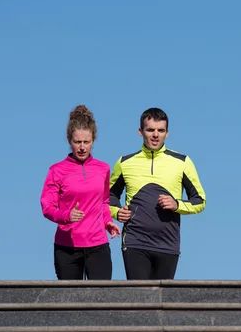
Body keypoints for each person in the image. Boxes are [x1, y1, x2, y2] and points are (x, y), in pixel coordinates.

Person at [109, 107, 206, 280]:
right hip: (135, 241)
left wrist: (177, 205)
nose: (155, 135)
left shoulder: (182, 162)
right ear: (140, 132)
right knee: (139, 299)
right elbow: (107, 197)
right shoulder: (124, 163)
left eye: (160, 130)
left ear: (167, 133)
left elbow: (199, 201)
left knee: (162, 303)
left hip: (167, 244)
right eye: (150, 130)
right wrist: (117, 212)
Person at [40, 104, 121, 280]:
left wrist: (108, 222)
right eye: (77, 142)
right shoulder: (57, 170)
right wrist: (66, 215)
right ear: (69, 140)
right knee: (70, 303)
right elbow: (47, 207)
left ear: (94, 140)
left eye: (87, 142)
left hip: (98, 244)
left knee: (102, 300)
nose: (82, 147)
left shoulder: (103, 169)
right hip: (67, 246)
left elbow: (104, 202)